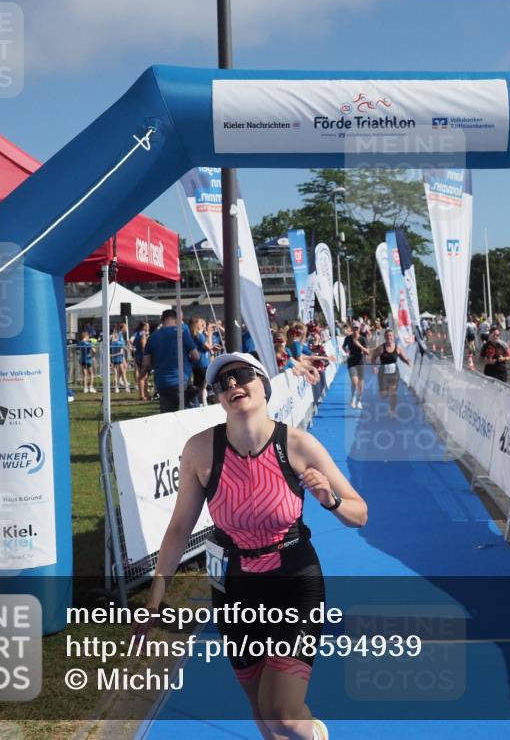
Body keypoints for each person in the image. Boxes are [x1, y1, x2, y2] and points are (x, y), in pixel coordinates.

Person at [137, 353, 367, 740]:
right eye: (221, 384)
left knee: (284, 713)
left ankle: (315, 733)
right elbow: (178, 529)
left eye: (241, 376)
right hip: (234, 586)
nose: (232, 386)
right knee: (260, 709)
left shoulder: (296, 444)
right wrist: (154, 600)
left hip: (294, 580)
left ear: (264, 385)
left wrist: (330, 501)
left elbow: (359, 513)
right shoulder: (200, 450)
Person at [142, 309, 200, 413]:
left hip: (162, 383)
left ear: (162, 320)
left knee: (167, 418)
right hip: (180, 381)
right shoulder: (181, 333)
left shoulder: (152, 337)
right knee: (190, 417)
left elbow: (146, 363)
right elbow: (196, 356)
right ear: (176, 319)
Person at [371, 329, 411, 417]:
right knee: (383, 395)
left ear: (393, 337)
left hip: (394, 373)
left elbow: (403, 358)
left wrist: (407, 361)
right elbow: (373, 357)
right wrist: (374, 366)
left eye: (391, 336)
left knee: (393, 391)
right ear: (385, 337)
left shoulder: (397, 348)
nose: (389, 337)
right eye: (388, 336)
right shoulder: (381, 348)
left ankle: (392, 411)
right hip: (383, 373)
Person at [342, 325, 370, 409]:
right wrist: (346, 350)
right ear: (351, 329)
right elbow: (343, 346)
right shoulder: (348, 338)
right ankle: (353, 398)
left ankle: (359, 400)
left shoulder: (363, 339)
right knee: (354, 381)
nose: (355, 330)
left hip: (360, 361)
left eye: (357, 329)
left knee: (361, 383)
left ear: (359, 329)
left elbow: (367, 352)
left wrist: (359, 346)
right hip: (351, 361)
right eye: (354, 328)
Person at [131, 322, 151, 401]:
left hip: (138, 356)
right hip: (142, 357)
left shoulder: (138, 334)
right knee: (143, 377)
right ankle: (142, 395)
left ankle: (146, 394)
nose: (148, 328)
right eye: (147, 326)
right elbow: (143, 346)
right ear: (144, 327)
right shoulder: (143, 335)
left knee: (144, 377)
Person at [110, 323, 130, 394]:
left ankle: (118, 386)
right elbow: (122, 347)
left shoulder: (115, 340)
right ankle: (124, 386)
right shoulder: (117, 338)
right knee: (120, 372)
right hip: (117, 357)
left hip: (117, 357)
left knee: (119, 372)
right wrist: (127, 349)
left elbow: (122, 347)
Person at [77, 329, 95, 394]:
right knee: (91, 373)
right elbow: (94, 350)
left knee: (84, 374)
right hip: (88, 359)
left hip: (82, 359)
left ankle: (85, 388)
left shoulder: (81, 342)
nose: (89, 337)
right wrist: (93, 355)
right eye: (88, 336)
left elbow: (77, 348)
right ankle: (91, 387)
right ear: (86, 336)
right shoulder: (89, 343)